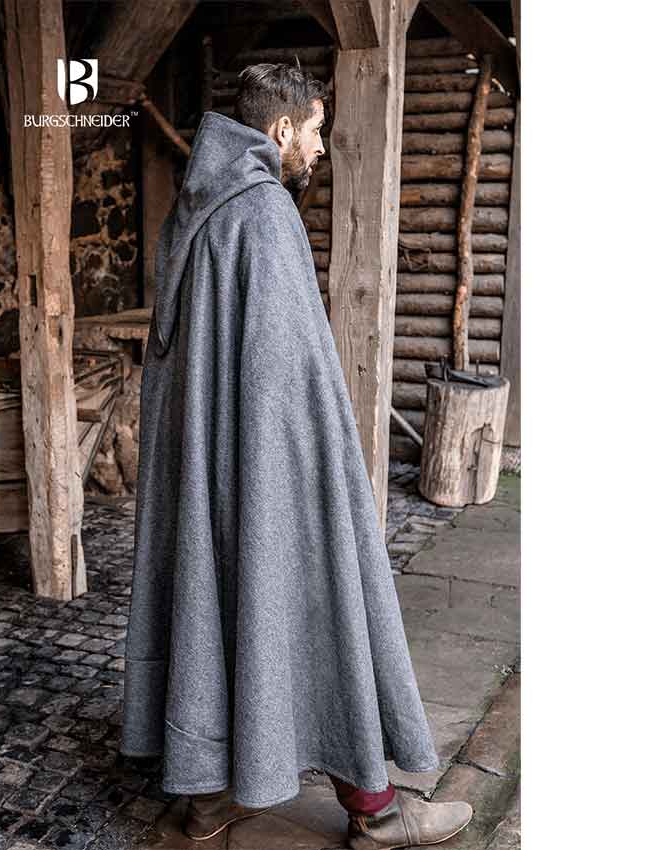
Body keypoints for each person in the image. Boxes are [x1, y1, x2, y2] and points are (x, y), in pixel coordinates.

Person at [119, 62, 473, 849]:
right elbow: (290, 376)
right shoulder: (264, 212)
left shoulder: (197, 208)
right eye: (314, 131)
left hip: (205, 463)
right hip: (268, 465)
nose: (318, 148)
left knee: (215, 600)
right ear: (281, 129)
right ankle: (377, 811)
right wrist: (323, 476)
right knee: (321, 600)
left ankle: (207, 800)